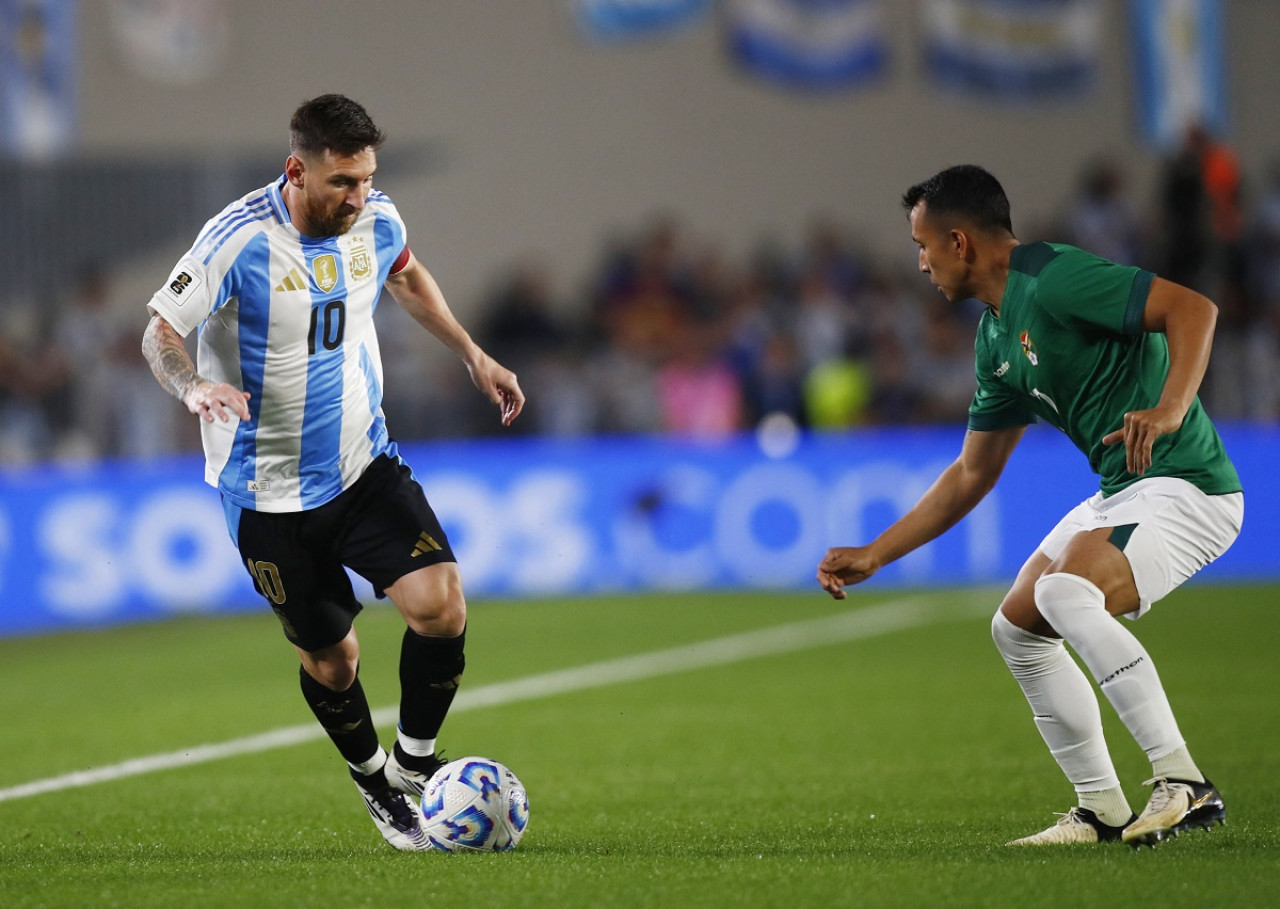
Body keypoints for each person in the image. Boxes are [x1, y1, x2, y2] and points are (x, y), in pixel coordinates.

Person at [816, 165, 1243, 848]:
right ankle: (1100, 808)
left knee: (1068, 591)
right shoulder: (994, 341)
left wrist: (1170, 407)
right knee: (1018, 625)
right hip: (1125, 487)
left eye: (923, 246)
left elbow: (1194, 308)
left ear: (959, 242)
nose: (920, 263)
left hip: (1190, 485)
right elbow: (971, 472)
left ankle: (1183, 780)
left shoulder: (1053, 277)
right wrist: (877, 551)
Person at [141, 94, 525, 851]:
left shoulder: (378, 219)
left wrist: (473, 353)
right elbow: (160, 332)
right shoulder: (237, 239)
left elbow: (407, 278)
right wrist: (195, 387)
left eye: (366, 178)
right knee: (333, 658)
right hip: (266, 493)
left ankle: (417, 762)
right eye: (343, 182)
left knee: (441, 604)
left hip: (361, 465)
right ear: (298, 169)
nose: (359, 197)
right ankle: (376, 780)